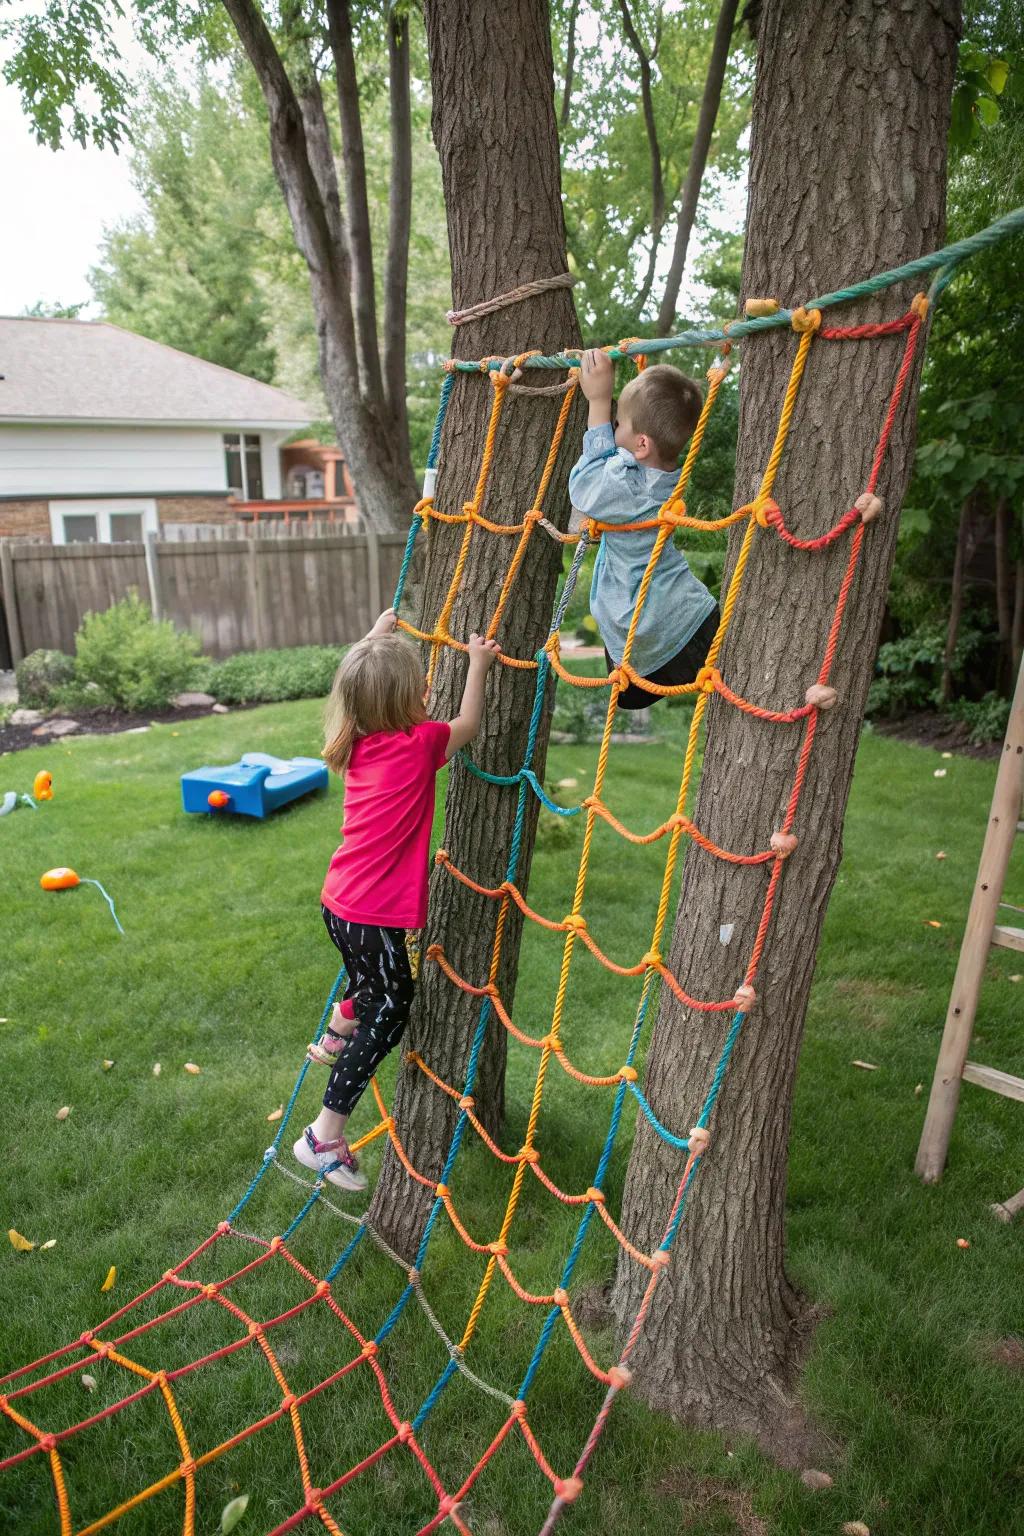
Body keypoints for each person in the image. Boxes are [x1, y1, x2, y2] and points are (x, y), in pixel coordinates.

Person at [295, 609, 501, 1192]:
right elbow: (468, 723)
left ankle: (340, 1023)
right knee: (392, 1006)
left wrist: (374, 638)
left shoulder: (352, 741)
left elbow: (352, 684)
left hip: (340, 903)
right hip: (374, 915)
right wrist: (478, 663)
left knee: (372, 983)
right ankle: (324, 1134)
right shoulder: (420, 744)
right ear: (411, 698)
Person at [568, 349, 719, 709]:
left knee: (627, 694)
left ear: (642, 444)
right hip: (693, 620)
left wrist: (598, 402)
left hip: (649, 629)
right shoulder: (662, 479)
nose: (613, 428)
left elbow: (585, 485)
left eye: (619, 424)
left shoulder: (626, 486)